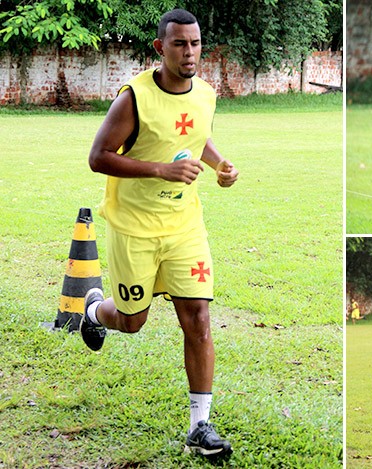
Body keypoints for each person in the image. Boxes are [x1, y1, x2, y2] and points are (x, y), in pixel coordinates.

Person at [79, 8, 238, 457]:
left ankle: (200, 426)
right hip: (134, 228)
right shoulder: (134, 98)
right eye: (179, 44)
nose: (190, 53)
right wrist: (160, 170)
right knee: (132, 321)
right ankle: (94, 312)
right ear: (160, 48)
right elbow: (99, 156)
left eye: (195, 43)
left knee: (199, 319)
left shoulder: (205, 94)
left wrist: (220, 165)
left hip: (185, 226)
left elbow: (196, 135)